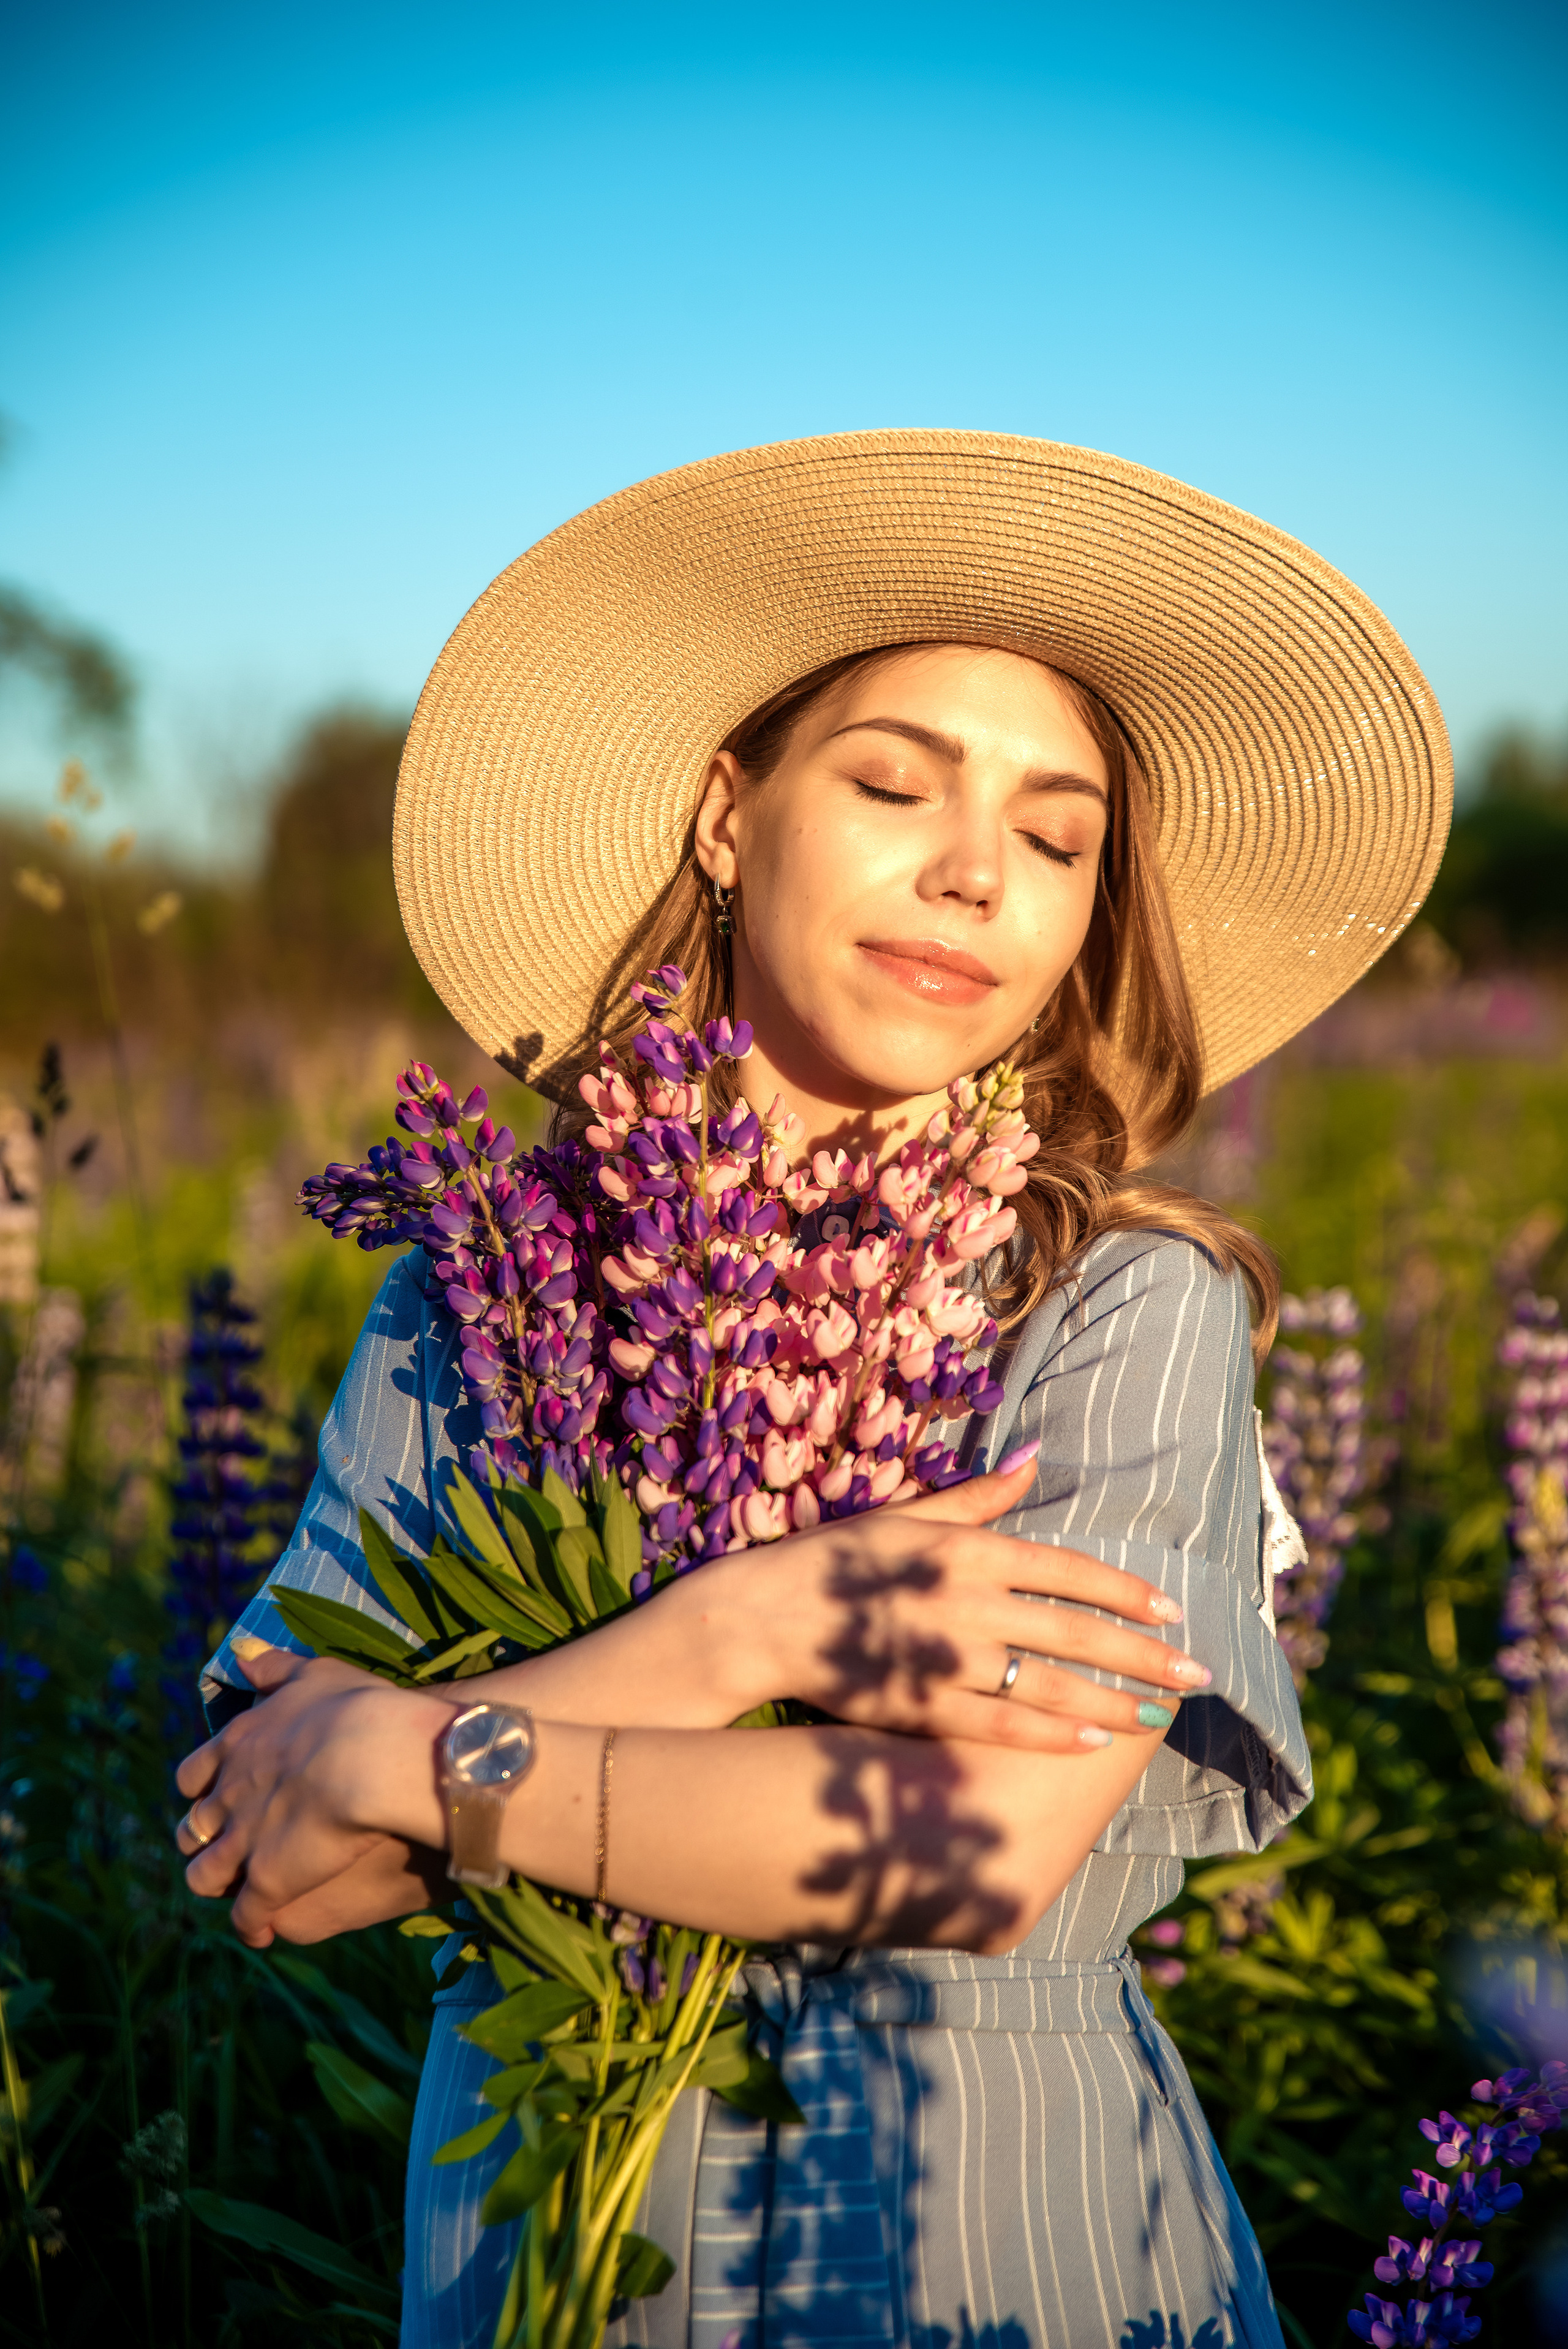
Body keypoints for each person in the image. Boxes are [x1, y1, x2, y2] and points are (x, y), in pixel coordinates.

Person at [175, 433, 1452, 2349]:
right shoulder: (482, 1291)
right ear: (724, 810)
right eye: (890, 782)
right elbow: (278, 1854)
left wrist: (430, 1751)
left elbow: (977, 1849)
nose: (972, 873)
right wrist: (747, 1625)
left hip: (972, 2238)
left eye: (1055, 835)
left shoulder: (1120, 1300)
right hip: (538, 2248)